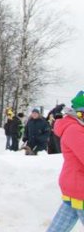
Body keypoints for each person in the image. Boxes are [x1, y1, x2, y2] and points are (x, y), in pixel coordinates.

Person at [47, 91, 84, 231]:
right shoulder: (75, 129)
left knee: (59, 227)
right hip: (80, 186)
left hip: (75, 184)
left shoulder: (77, 127)